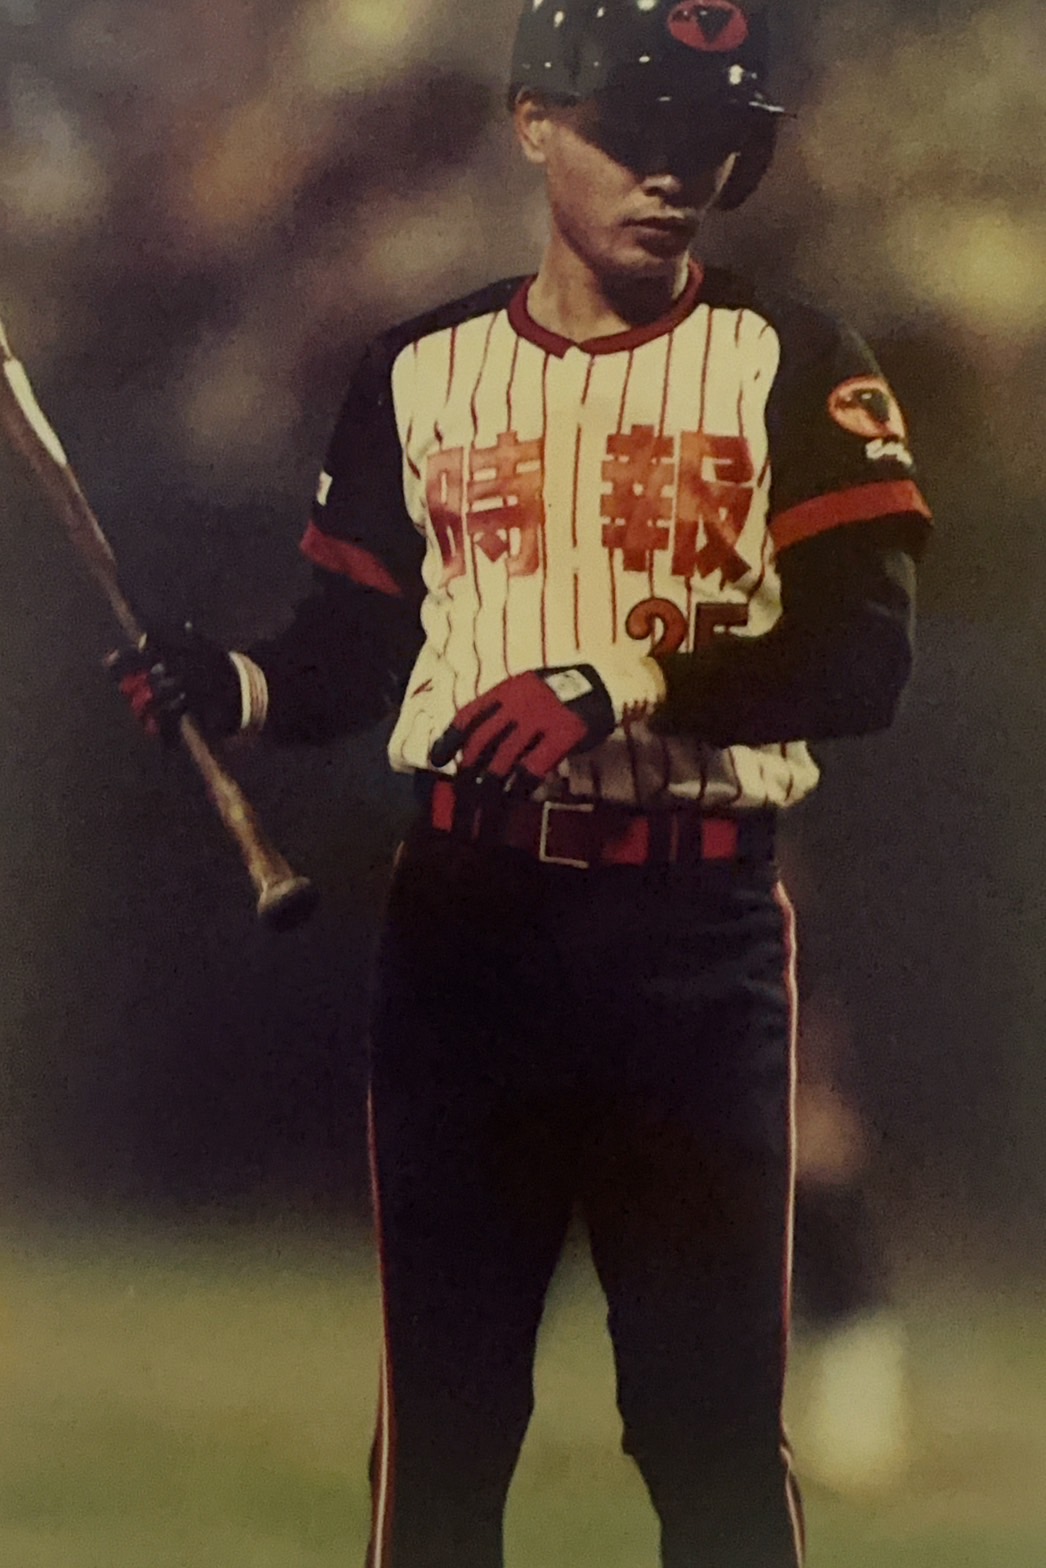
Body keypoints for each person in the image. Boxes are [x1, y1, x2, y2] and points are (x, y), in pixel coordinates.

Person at [114, 2, 931, 1563]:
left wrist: (626, 676)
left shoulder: (797, 361)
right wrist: (235, 684)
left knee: (702, 1427)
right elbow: (350, 651)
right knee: (442, 1426)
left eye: (709, 140)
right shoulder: (417, 369)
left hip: (691, 931)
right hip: (467, 926)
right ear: (534, 122)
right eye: (632, 131)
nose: (670, 173)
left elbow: (860, 660)